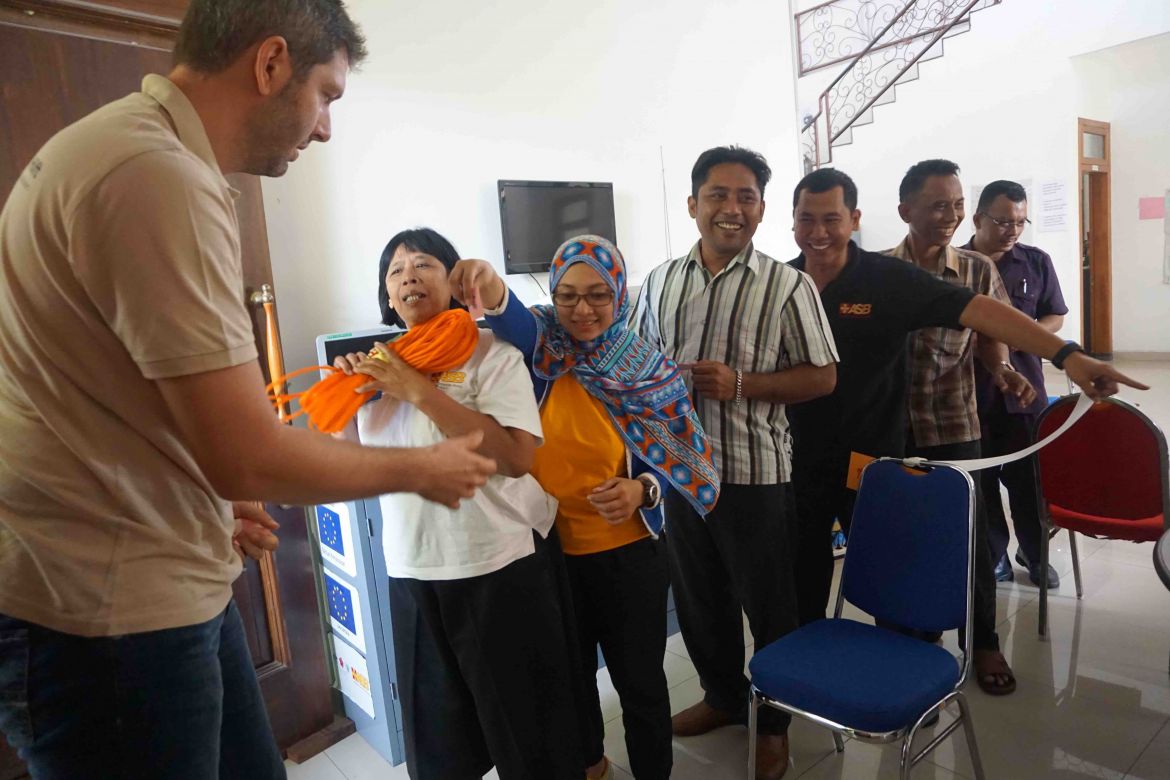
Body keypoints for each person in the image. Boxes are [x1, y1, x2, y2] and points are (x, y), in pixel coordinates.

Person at [0, 3, 495, 777]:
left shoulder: (128, 151)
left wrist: (207, 486)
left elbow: (108, 388)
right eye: (326, 94)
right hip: (105, 615)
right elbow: (249, 455)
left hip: (153, 571)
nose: (326, 126)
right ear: (270, 65)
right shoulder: (153, 175)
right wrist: (424, 468)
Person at [787, 168, 1145, 637]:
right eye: (806, 220)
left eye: (830, 219)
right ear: (791, 221)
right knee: (800, 578)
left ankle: (915, 674)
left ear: (853, 219)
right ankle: (807, 667)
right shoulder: (783, 282)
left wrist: (1066, 354)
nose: (818, 233)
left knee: (890, 577)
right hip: (797, 464)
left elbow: (980, 311)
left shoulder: (886, 278)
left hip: (872, 463)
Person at [450, 236, 720, 780]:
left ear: (620, 294)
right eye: (568, 295)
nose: (582, 309)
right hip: (548, 556)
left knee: (640, 683)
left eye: (598, 294)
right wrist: (485, 278)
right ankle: (591, 765)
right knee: (570, 680)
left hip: (628, 559)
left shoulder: (647, 367)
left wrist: (642, 490)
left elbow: (685, 455)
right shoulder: (541, 348)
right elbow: (514, 319)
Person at [332, 228, 580, 780]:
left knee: (528, 733)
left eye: (422, 264)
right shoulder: (374, 370)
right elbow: (350, 466)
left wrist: (419, 390)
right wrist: (344, 401)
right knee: (440, 744)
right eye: (394, 272)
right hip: (413, 569)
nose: (408, 276)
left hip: (498, 565)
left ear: (453, 280)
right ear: (388, 298)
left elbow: (517, 456)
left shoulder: (493, 354)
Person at [631, 146, 839, 780]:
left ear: (762, 209)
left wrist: (742, 384)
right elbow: (636, 363)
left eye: (745, 197)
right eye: (718, 195)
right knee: (698, 602)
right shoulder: (658, 281)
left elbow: (824, 377)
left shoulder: (788, 283)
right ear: (692, 205)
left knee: (770, 606)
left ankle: (774, 723)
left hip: (755, 475)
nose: (732, 208)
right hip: (679, 476)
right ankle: (724, 697)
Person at [963, 181, 1067, 588]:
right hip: (973, 392)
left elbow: (1055, 315)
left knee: (1030, 478)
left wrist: (1028, 333)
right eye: (1004, 221)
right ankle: (994, 555)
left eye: (1021, 222)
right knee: (983, 479)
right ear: (978, 218)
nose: (1012, 231)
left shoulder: (1035, 262)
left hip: (1026, 391)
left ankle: (1035, 553)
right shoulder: (956, 266)